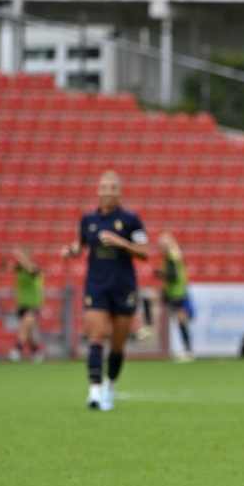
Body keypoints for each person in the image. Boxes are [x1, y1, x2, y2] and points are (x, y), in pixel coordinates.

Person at [61, 171, 150, 410]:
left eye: (113, 188)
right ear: (98, 191)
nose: (108, 191)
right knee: (96, 336)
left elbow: (145, 252)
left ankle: (110, 384)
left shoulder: (131, 220)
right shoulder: (88, 220)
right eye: (104, 187)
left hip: (123, 287)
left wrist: (121, 243)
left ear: (119, 192)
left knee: (118, 345)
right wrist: (72, 251)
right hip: (96, 286)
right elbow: (81, 245)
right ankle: (94, 391)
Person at [154, 232, 194, 362]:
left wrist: (161, 274)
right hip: (174, 292)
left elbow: (173, 276)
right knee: (179, 322)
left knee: (182, 321)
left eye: (162, 245)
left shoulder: (172, 257)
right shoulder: (172, 256)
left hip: (178, 293)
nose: (160, 248)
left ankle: (187, 351)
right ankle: (185, 350)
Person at [6, 248, 44, 362]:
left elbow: (32, 270)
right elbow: (5, 267)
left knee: (25, 326)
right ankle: (36, 351)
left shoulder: (34, 269)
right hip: (22, 305)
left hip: (33, 304)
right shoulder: (19, 269)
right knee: (29, 333)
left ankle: (16, 350)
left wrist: (20, 256)